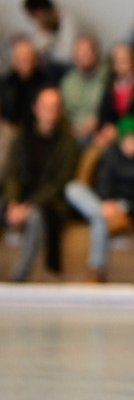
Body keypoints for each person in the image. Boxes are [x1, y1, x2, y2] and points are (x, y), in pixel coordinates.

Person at [64, 115, 134, 282]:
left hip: (126, 207)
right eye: (129, 138)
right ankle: (103, 214)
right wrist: (106, 203)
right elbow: (102, 181)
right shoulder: (110, 155)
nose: (133, 143)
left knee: (99, 219)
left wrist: (122, 208)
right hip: (104, 204)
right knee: (73, 189)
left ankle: (96, 270)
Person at [4, 87, 79, 281]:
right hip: (19, 199)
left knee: (36, 217)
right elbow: (13, 173)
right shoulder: (22, 137)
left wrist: (29, 206)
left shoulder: (67, 143)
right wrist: (13, 202)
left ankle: (19, 278)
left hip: (50, 204)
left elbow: (59, 183)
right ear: (35, 108)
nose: (50, 112)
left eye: (55, 107)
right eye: (46, 107)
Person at [60, 35, 110, 146]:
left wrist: (97, 123)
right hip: (71, 131)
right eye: (79, 52)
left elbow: (110, 110)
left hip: (97, 131)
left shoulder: (108, 77)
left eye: (87, 51)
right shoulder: (68, 81)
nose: (83, 55)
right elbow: (62, 111)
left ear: (96, 53)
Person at [21, 0, 78, 72]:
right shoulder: (44, 27)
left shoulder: (68, 20)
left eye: (39, 17)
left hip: (70, 66)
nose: (38, 22)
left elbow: (67, 54)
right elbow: (36, 48)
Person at [1, 36, 54, 127]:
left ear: (35, 58)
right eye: (21, 56)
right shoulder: (5, 83)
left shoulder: (46, 82)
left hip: (37, 128)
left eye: (28, 55)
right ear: (14, 60)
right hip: (10, 127)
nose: (25, 59)